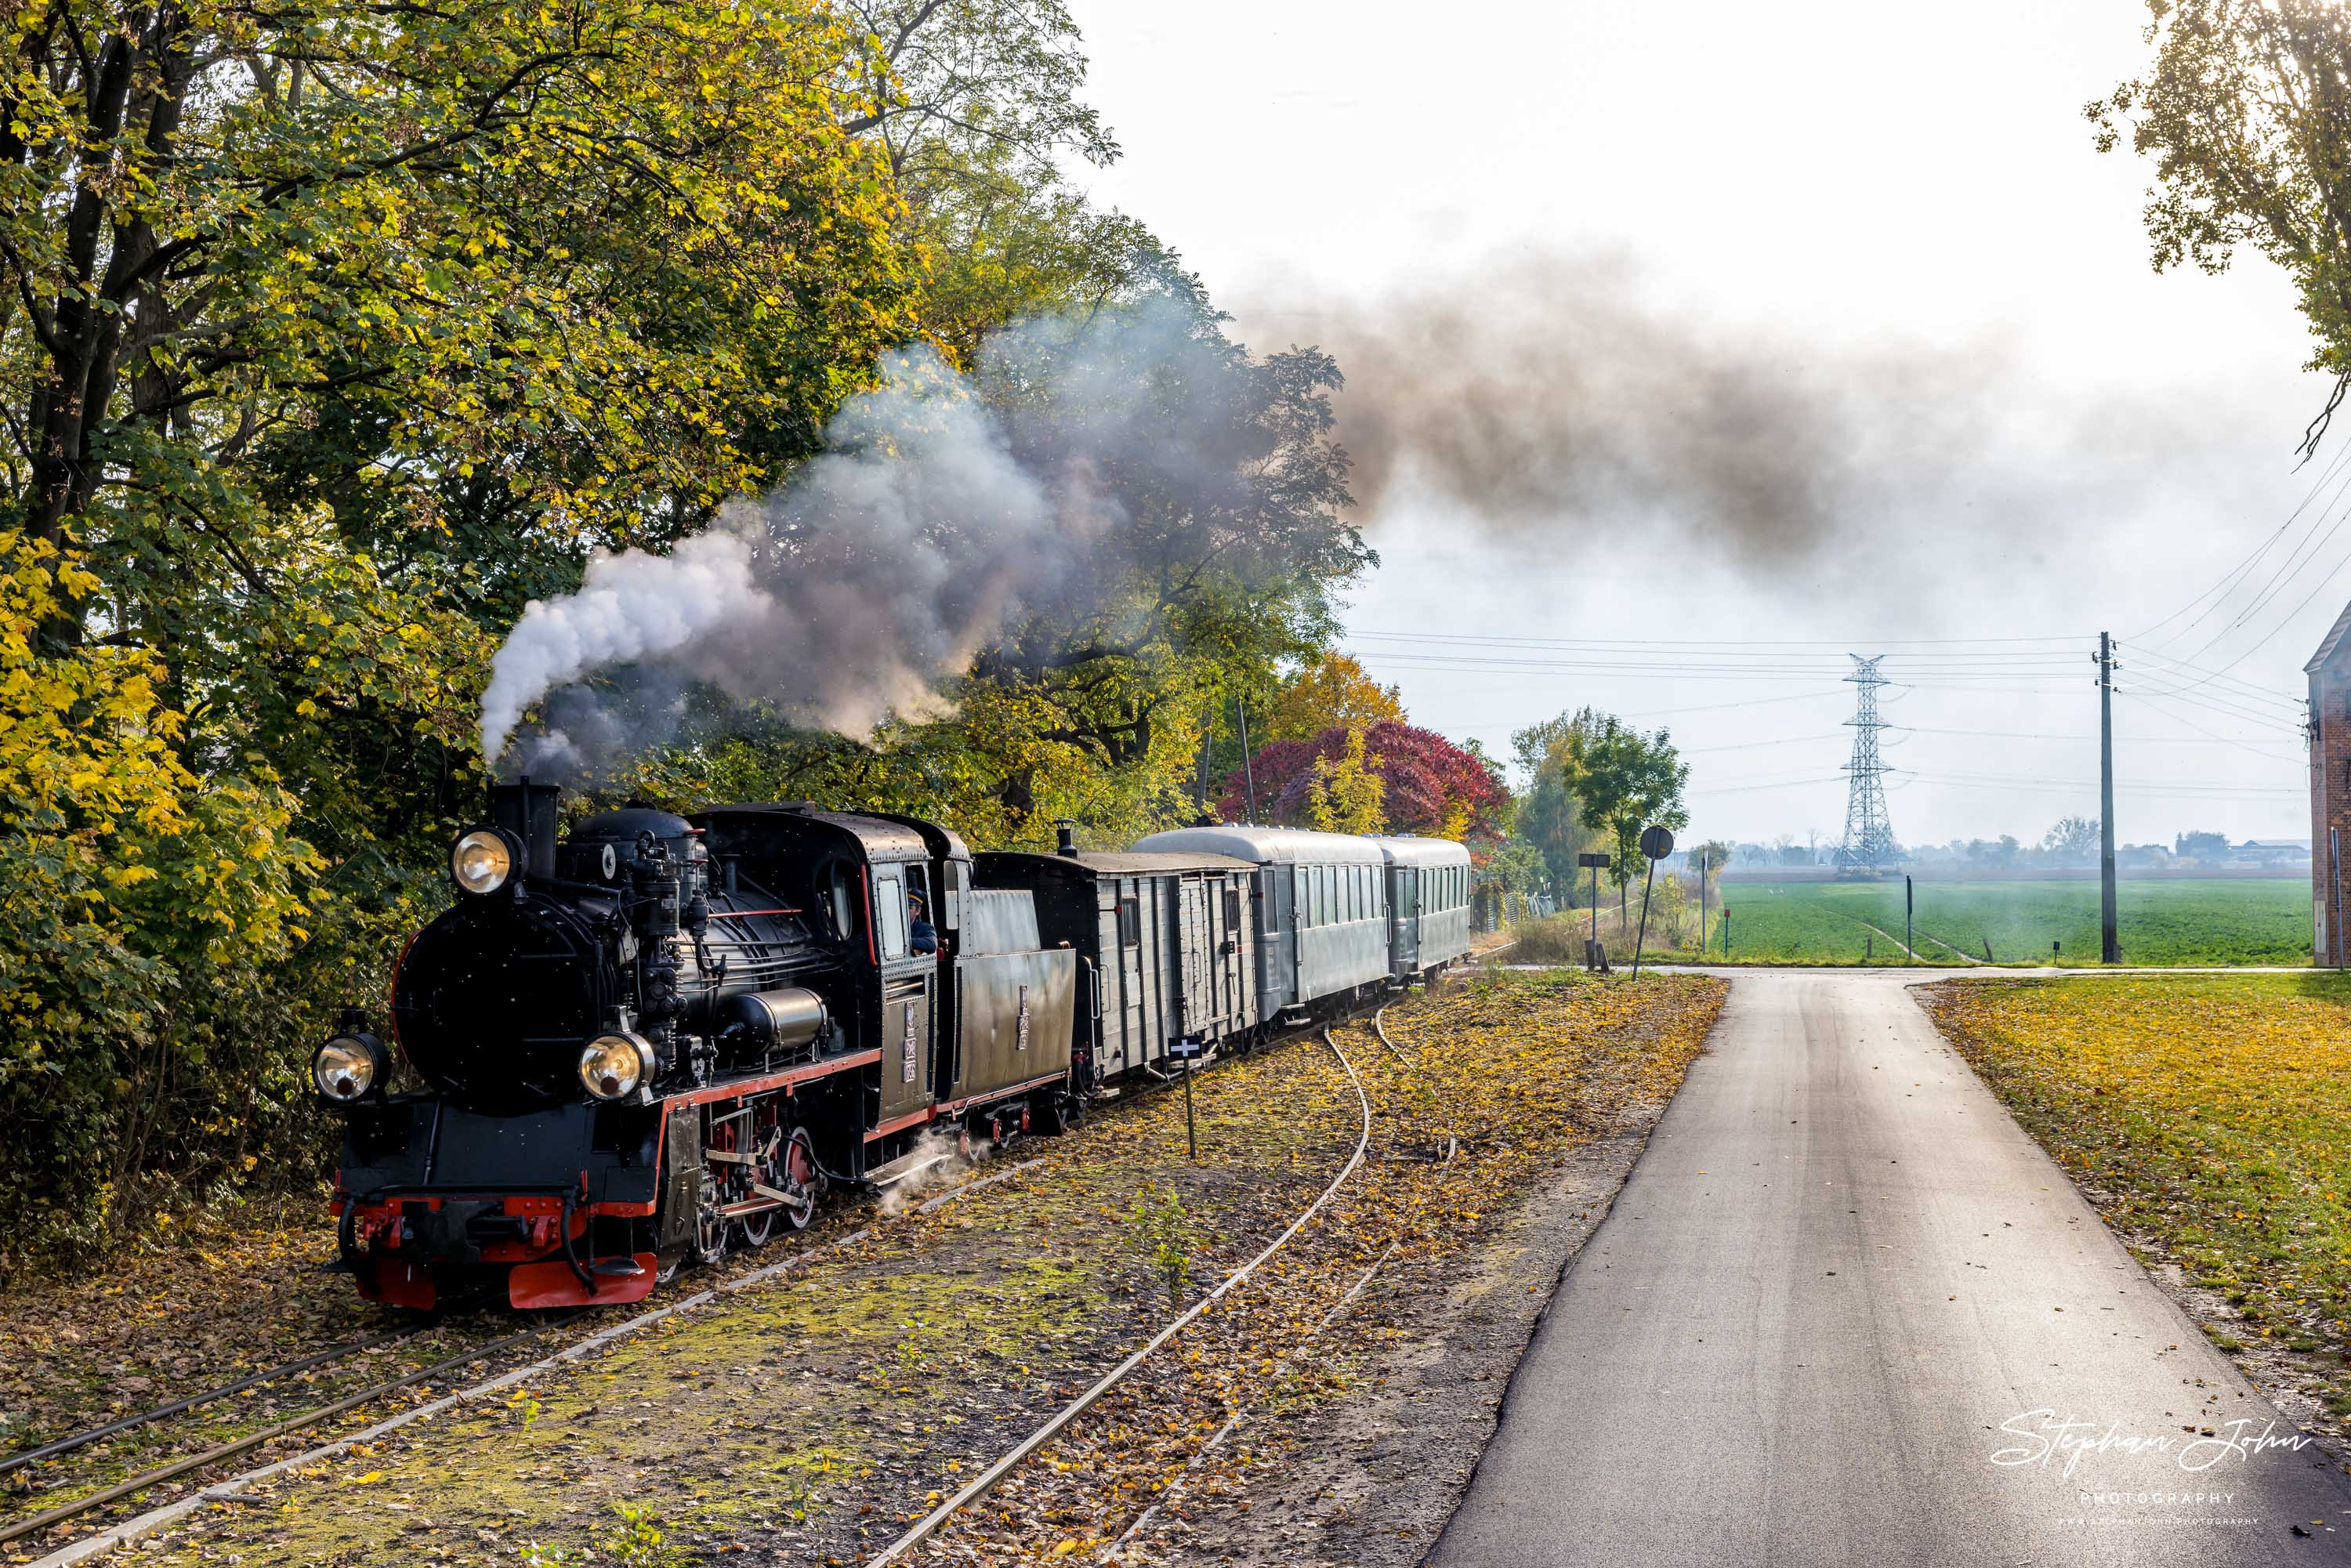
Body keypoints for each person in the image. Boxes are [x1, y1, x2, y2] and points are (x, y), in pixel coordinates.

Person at [907, 891, 937, 955]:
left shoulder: (925, 928)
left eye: (909, 908)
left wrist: (906, 942)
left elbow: (932, 944)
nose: (905, 910)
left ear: (917, 911)